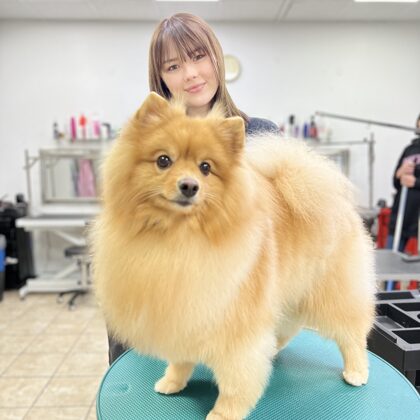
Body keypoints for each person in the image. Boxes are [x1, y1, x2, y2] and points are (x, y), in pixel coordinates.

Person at [108, 13, 278, 364]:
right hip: (162, 327)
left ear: (216, 57)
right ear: (161, 78)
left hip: (238, 326)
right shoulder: (143, 138)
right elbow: (122, 237)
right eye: (173, 66)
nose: (190, 74)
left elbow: (279, 241)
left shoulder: (260, 136)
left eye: (198, 57)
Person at [387, 113, 420, 253]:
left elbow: (414, 182)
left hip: (417, 219)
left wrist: (415, 182)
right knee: (391, 259)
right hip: (401, 216)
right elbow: (395, 182)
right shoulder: (409, 150)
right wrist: (399, 173)